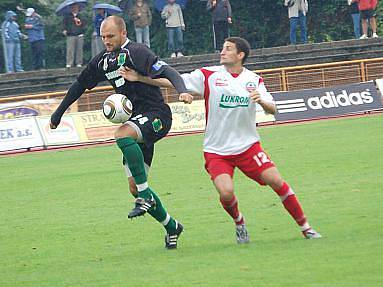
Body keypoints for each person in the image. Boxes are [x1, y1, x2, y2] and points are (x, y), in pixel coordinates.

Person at [120, 37, 322, 243]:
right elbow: (174, 80)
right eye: (223, 48)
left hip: (248, 147)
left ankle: (306, 228)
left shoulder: (254, 79)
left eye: (228, 49)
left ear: (240, 55)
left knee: (277, 181)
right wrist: (140, 78)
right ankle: (239, 222)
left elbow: (273, 109)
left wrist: (261, 101)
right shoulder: (209, 75)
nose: (222, 52)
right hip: (217, 150)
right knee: (226, 193)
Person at [50, 16, 193, 249]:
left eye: (111, 36)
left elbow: (168, 71)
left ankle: (145, 197)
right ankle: (171, 226)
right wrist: (58, 113)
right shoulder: (102, 62)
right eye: (103, 37)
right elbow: (79, 85)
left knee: (122, 135)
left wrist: (182, 91)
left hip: (156, 115)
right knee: (135, 186)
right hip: (136, 119)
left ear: (123, 33)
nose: (106, 41)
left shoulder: (138, 52)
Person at [63, 3, 85, 68]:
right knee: (70, 49)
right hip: (70, 34)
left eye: (76, 7)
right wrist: (64, 30)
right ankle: (69, 63)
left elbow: (84, 25)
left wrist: (79, 21)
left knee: (79, 49)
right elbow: (64, 24)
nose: (75, 9)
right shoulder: (67, 16)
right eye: (73, 7)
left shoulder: (81, 16)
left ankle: (79, 63)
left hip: (79, 34)